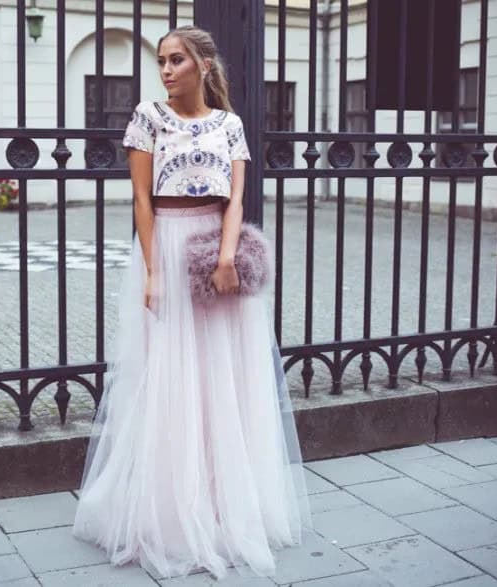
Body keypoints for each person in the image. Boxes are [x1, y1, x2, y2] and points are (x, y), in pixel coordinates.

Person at [72, 24, 313, 581]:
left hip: (212, 250)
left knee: (220, 375)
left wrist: (227, 257)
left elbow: (236, 199)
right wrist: (154, 273)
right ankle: (171, 510)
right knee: (168, 374)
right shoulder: (147, 118)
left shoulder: (230, 125)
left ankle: (223, 501)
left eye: (177, 60)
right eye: (162, 60)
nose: (166, 69)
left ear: (204, 65)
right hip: (167, 245)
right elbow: (139, 197)